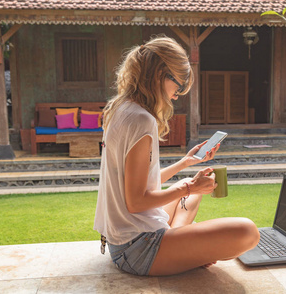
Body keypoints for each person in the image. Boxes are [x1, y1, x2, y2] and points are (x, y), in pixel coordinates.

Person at [94, 36, 260, 276]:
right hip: (137, 249)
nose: (178, 94)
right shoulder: (142, 119)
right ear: (160, 75)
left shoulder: (120, 109)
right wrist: (189, 189)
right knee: (247, 231)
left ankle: (183, 248)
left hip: (121, 241)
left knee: (186, 187)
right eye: (179, 85)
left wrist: (186, 163)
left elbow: (135, 184)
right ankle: (184, 250)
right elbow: (136, 201)